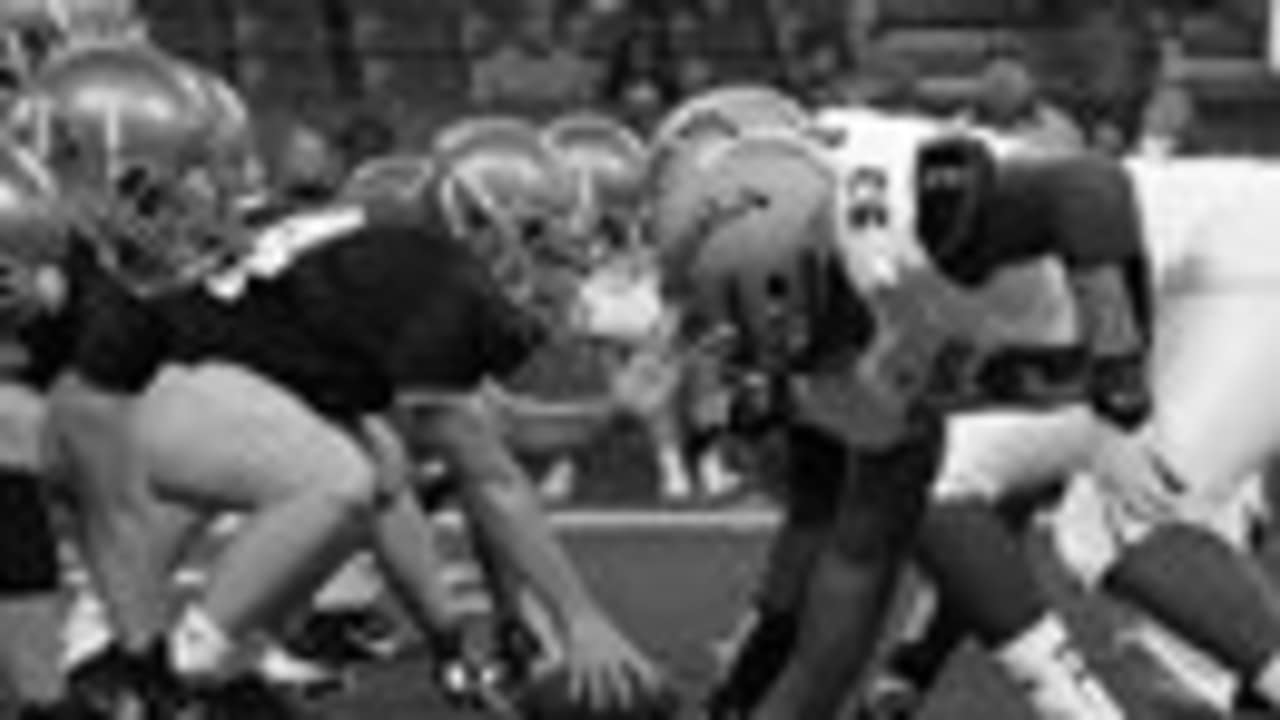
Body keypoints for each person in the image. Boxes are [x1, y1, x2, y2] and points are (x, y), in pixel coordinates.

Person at [655, 96, 1280, 719]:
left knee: (1121, 519)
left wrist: (1122, 401)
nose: (728, 346)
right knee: (946, 483)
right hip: (1149, 317)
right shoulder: (838, 302)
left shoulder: (906, 211)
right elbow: (858, 564)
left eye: (726, 311)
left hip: (1230, 260)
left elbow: (1091, 191)